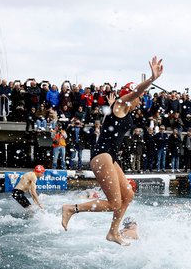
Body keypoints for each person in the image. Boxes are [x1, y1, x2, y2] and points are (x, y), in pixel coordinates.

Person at [61, 56, 163, 245]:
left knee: (128, 195)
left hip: (110, 157)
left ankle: (113, 233)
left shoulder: (121, 109)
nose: (140, 101)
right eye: (139, 98)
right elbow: (135, 92)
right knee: (113, 203)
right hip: (102, 155)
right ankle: (71, 208)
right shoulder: (121, 105)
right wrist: (152, 79)